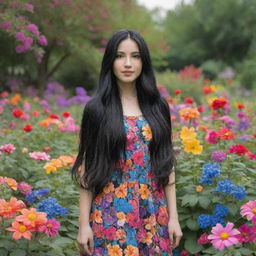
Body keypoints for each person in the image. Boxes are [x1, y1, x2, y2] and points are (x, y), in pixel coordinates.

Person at [71, 29, 182, 256]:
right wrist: (84, 225)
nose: (128, 63)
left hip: (153, 213)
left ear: (144, 62)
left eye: (136, 56)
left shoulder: (158, 106)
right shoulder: (96, 109)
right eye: (120, 56)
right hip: (110, 216)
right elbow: (88, 169)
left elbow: (165, 163)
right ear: (110, 62)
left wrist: (174, 218)